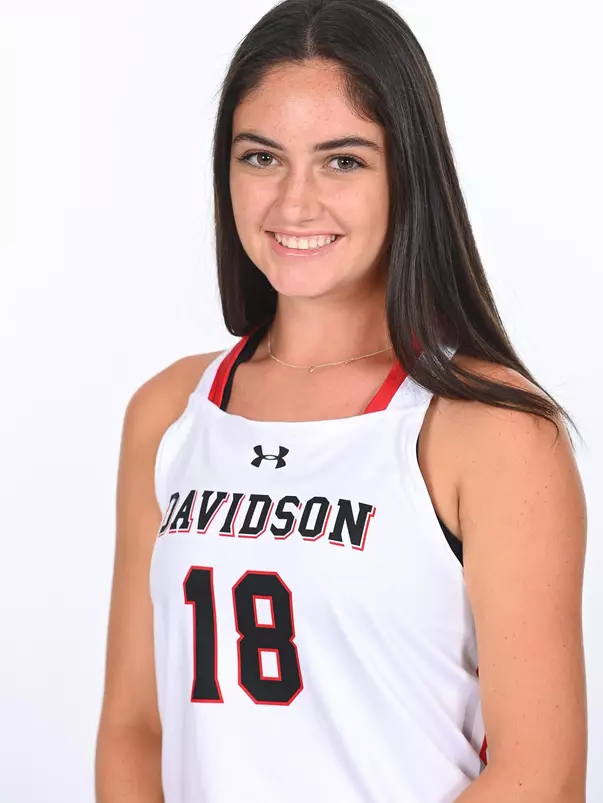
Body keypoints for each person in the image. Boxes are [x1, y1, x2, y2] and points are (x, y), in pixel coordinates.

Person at [95, 1, 588, 801]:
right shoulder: (169, 413)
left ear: (407, 172)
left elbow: (541, 774)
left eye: (342, 161)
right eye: (261, 157)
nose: (294, 203)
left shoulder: (488, 429)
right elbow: (134, 724)